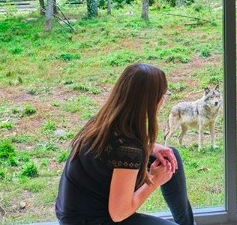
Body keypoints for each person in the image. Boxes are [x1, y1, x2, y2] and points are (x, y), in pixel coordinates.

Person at [55, 63, 195, 225]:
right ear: (154, 101)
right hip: (91, 220)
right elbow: (119, 213)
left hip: (76, 210)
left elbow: (110, 153)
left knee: (170, 155)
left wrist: (151, 147)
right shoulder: (128, 148)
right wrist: (155, 180)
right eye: (163, 95)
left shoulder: (106, 120)